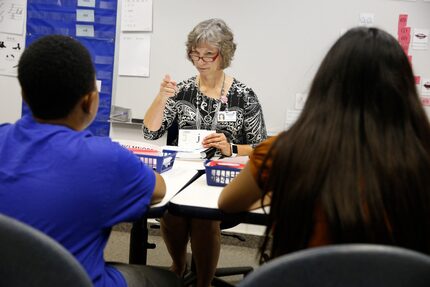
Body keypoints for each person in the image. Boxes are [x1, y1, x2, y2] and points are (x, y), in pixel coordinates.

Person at [218, 27, 430, 262]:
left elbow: (228, 203)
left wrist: (278, 193)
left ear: (326, 85)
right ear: (403, 89)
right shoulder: (421, 154)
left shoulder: (285, 150)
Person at [0, 35, 181, 287]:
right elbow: (158, 190)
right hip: (77, 281)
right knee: (168, 280)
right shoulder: (107, 159)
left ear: (24, 94)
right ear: (90, 101)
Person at [143, 19, 267, 286]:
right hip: (183, 174)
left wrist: (231, 147)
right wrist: (161, 97)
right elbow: (150, 133)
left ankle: (204, 283)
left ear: (224, 54)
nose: (200, 61)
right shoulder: (181, 91)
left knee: (203, 219)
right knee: (172, 214)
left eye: (208, 54)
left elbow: (260, 146)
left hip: (222, 178)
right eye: (195, 54)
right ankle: (179, 265)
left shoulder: (244, 96)